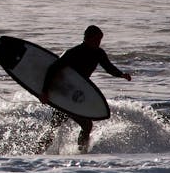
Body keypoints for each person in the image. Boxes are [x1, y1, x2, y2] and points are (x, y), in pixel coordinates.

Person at [37, 25, 132, 153]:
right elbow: (53, 69)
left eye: (100, 40)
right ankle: (39, 152)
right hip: (64, 94)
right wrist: (44, 92)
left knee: (81, 125)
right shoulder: (73, 52)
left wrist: (121, 74)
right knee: (58, 126)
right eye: (97, 39)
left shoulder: (99, 53)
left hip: (77, 96)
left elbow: (108, 68)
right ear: (88, 38)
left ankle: (80, 151)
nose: (99, 42)